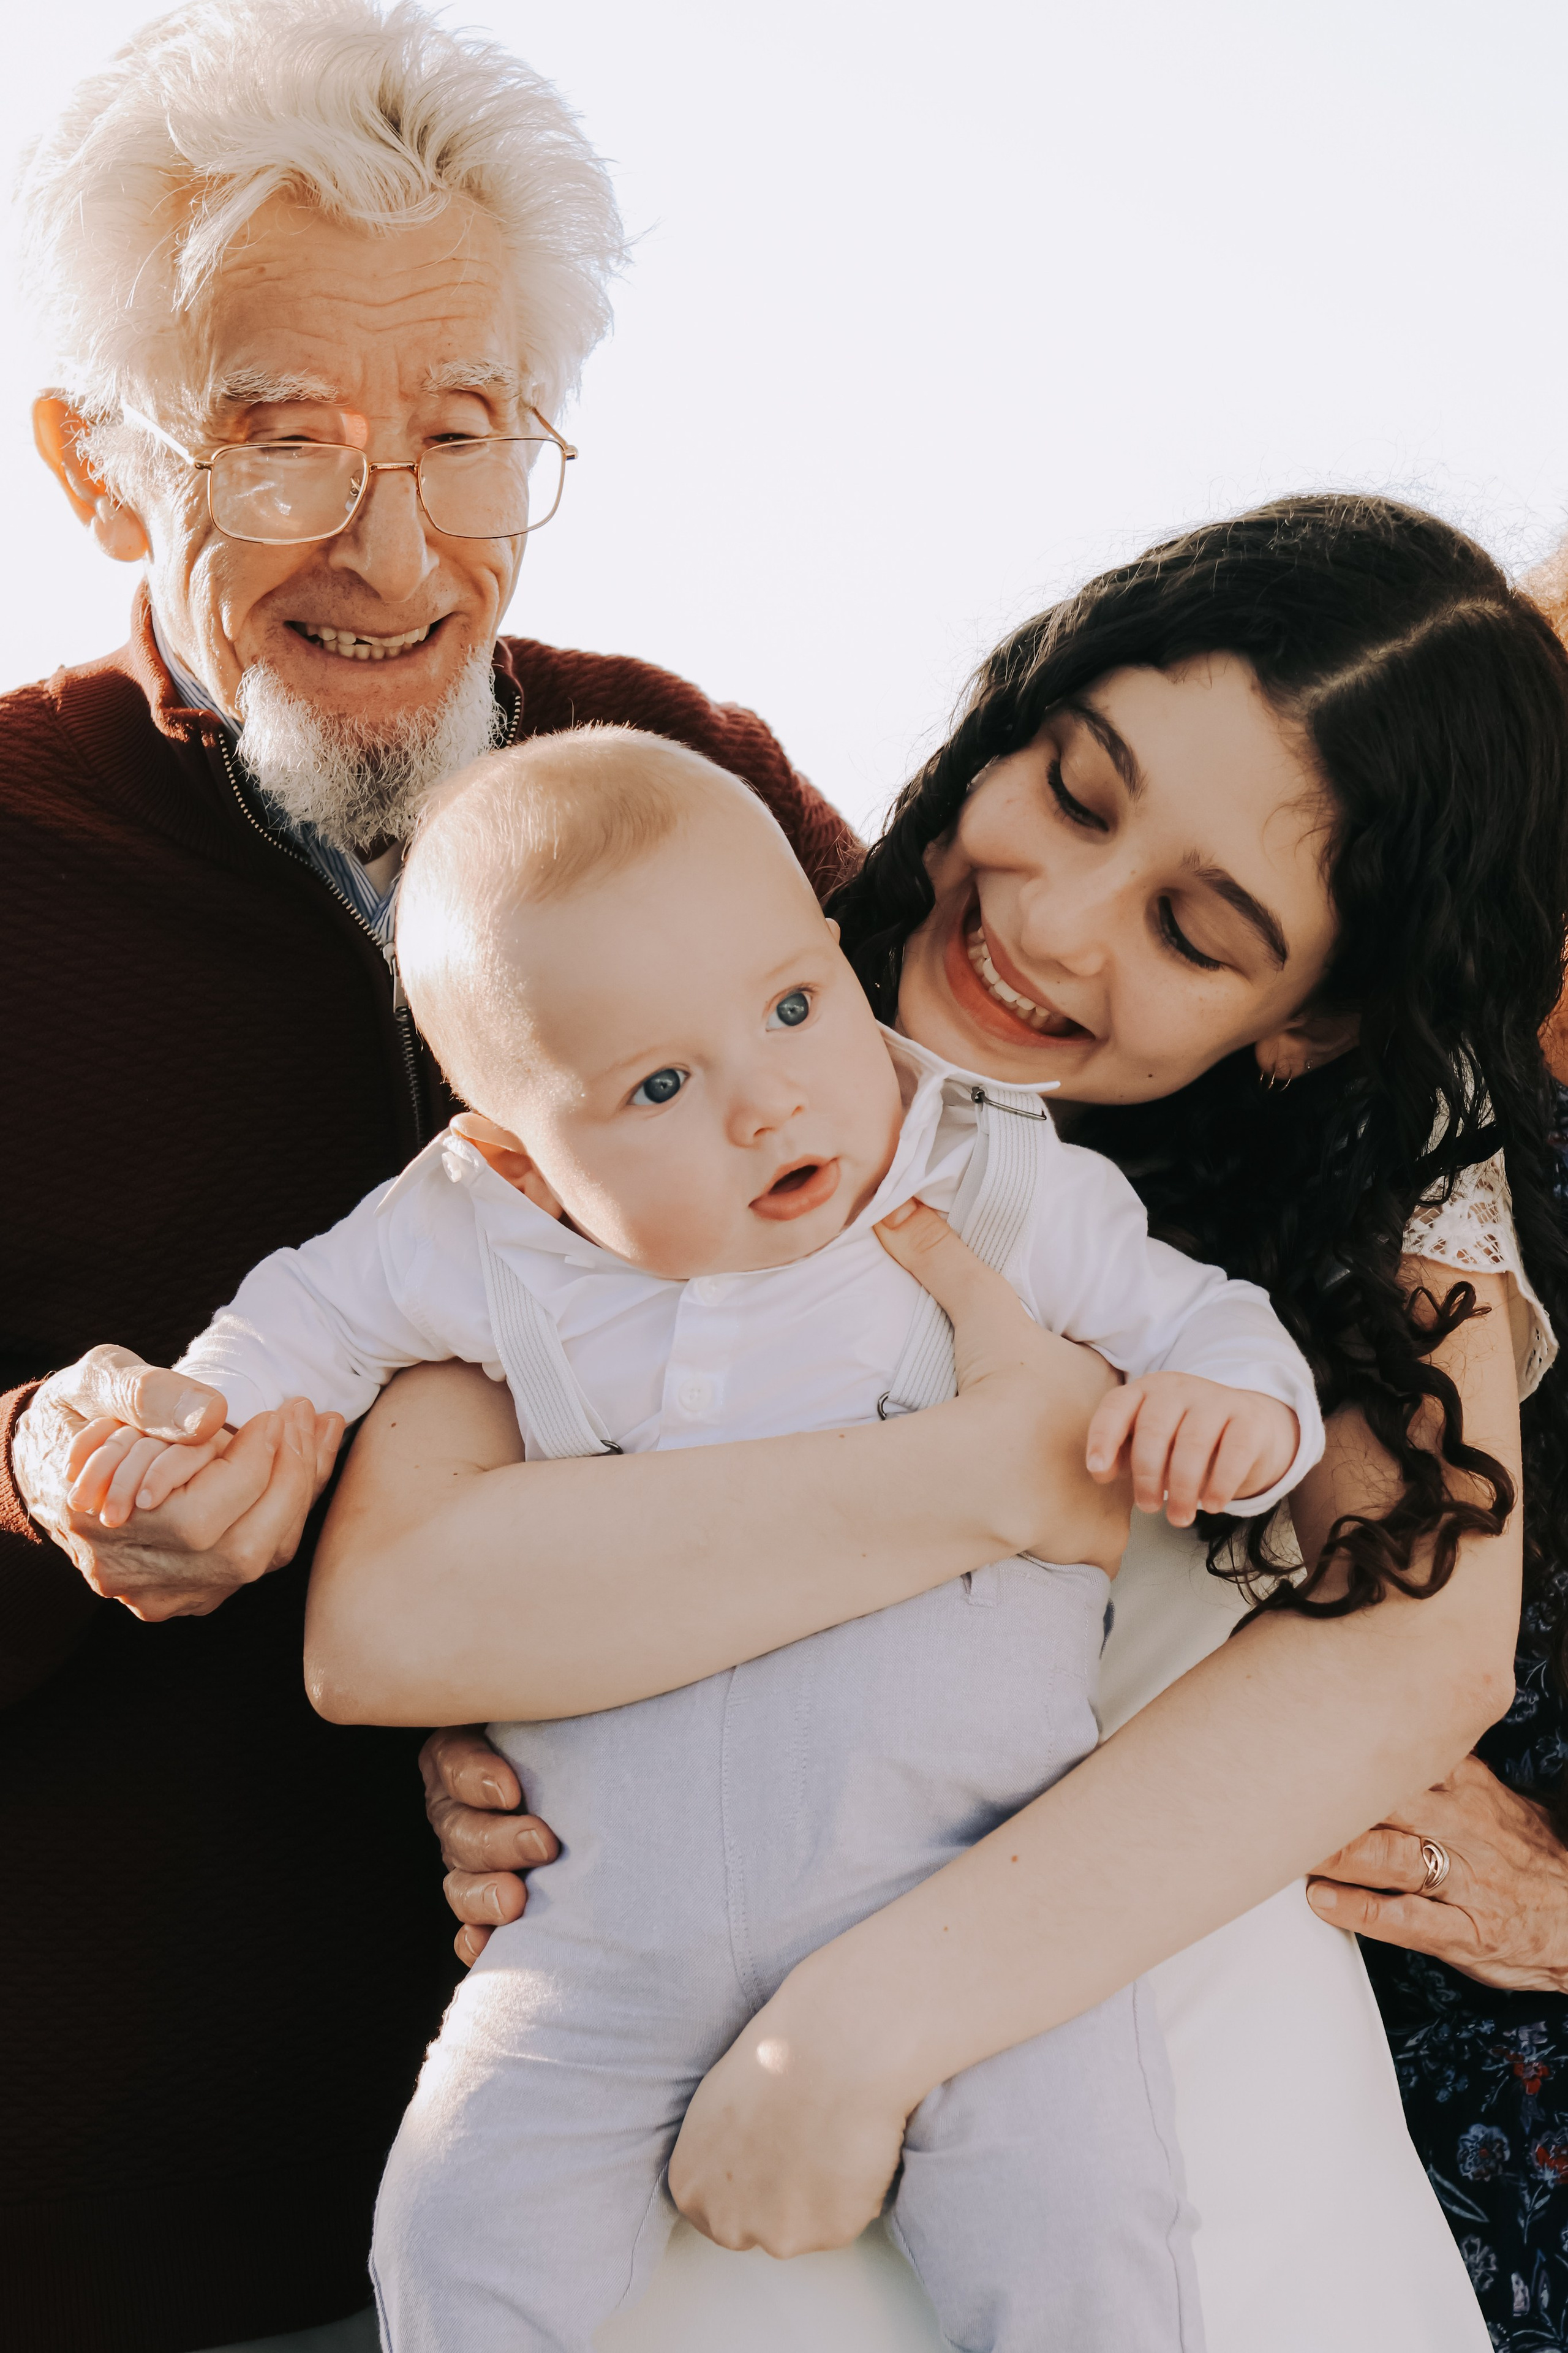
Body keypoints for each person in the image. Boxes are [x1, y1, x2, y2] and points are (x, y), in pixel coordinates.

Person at [284, 494, 1568, 2351]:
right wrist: (978, 1488)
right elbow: (389, 1623)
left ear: (1320, 1019)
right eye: (1077, 787)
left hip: (1111, 2074)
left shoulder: (1370, 1193)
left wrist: (862, 2031)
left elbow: (1414, 1648)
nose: (1047, 919)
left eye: (1196, 930)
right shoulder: (685, 1003)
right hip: (655, 2061)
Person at [75, 723, 1324, 2347]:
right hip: (603, 1934)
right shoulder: (486, 1236)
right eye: (659, 1087)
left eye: (796, 1007)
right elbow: (295, 1322)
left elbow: (1209, 1322)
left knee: (1078, 2212)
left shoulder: (983, 1178)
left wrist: (1232, 1411)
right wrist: (192, 1421)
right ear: (518, 1150)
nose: (768, 1100)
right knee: (455, 2224)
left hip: (956, 1880)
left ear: (833, 956)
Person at [0, 6, 853, 2348]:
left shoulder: (681, 771)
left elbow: (1000, 1202)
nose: (395, 550)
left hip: (720, 2199)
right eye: (280, 441)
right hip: (155, 2242)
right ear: (97, 470)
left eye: (465, 431)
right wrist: (42, 1473)